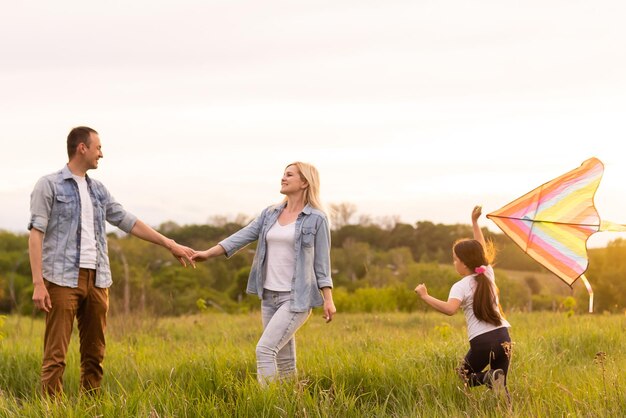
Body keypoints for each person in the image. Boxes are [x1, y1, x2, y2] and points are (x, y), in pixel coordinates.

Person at [28, 126, 195, 396]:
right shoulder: (48, 185)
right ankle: (50, 411)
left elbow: (128, 222)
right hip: (60, 280)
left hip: (98, 280)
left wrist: (170, 244)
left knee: (95, 355)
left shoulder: (98, 190)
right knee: (55, 357)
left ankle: (91, 408)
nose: (101, 154)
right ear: (82, 148)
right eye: (98, 148)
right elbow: (36, 234)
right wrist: (38, 283)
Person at [193, 161, 336, 385]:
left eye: (289, 175)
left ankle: (267, 406)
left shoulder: (317, 218)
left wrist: (328, 298)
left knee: (265, 350)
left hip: (296, 298)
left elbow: (322, 263)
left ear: (304, 182)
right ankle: (291, 407)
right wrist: (208, 254)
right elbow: (242, 235)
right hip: (269, 296)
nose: (283, 178)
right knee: (284, 360)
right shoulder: (270, 214)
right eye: (283, 174)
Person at [414, 206, 512, 393]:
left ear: (464, 262)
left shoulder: (461, 285)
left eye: (455, 259)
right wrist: (475, 222)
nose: (454, 263)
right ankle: (505, 407)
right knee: (501, 386)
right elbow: (480, 247)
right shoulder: (487, 274)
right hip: (503, 337)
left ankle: (488, 377)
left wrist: (425, 296)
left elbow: (450, 309)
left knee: (464, 375)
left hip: (482, 341)